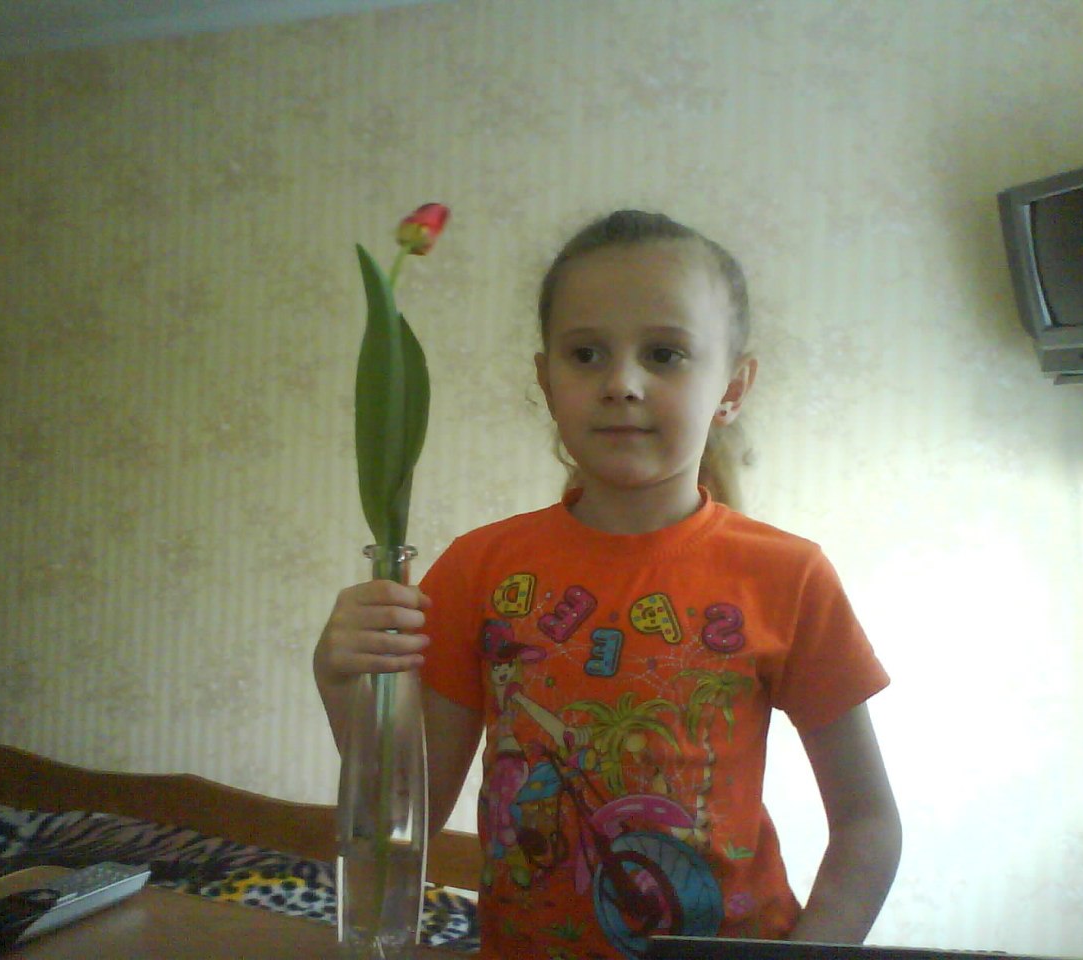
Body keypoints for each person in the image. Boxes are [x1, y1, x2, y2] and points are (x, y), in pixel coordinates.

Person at [315, 210, 902, 958]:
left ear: (733, 387)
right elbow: (407, 815)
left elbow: (868, 825)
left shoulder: (789, 576)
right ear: (546, 380)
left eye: (664, 353)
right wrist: (339, 679)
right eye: (586, 354)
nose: (621, 383)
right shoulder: (477, 569)